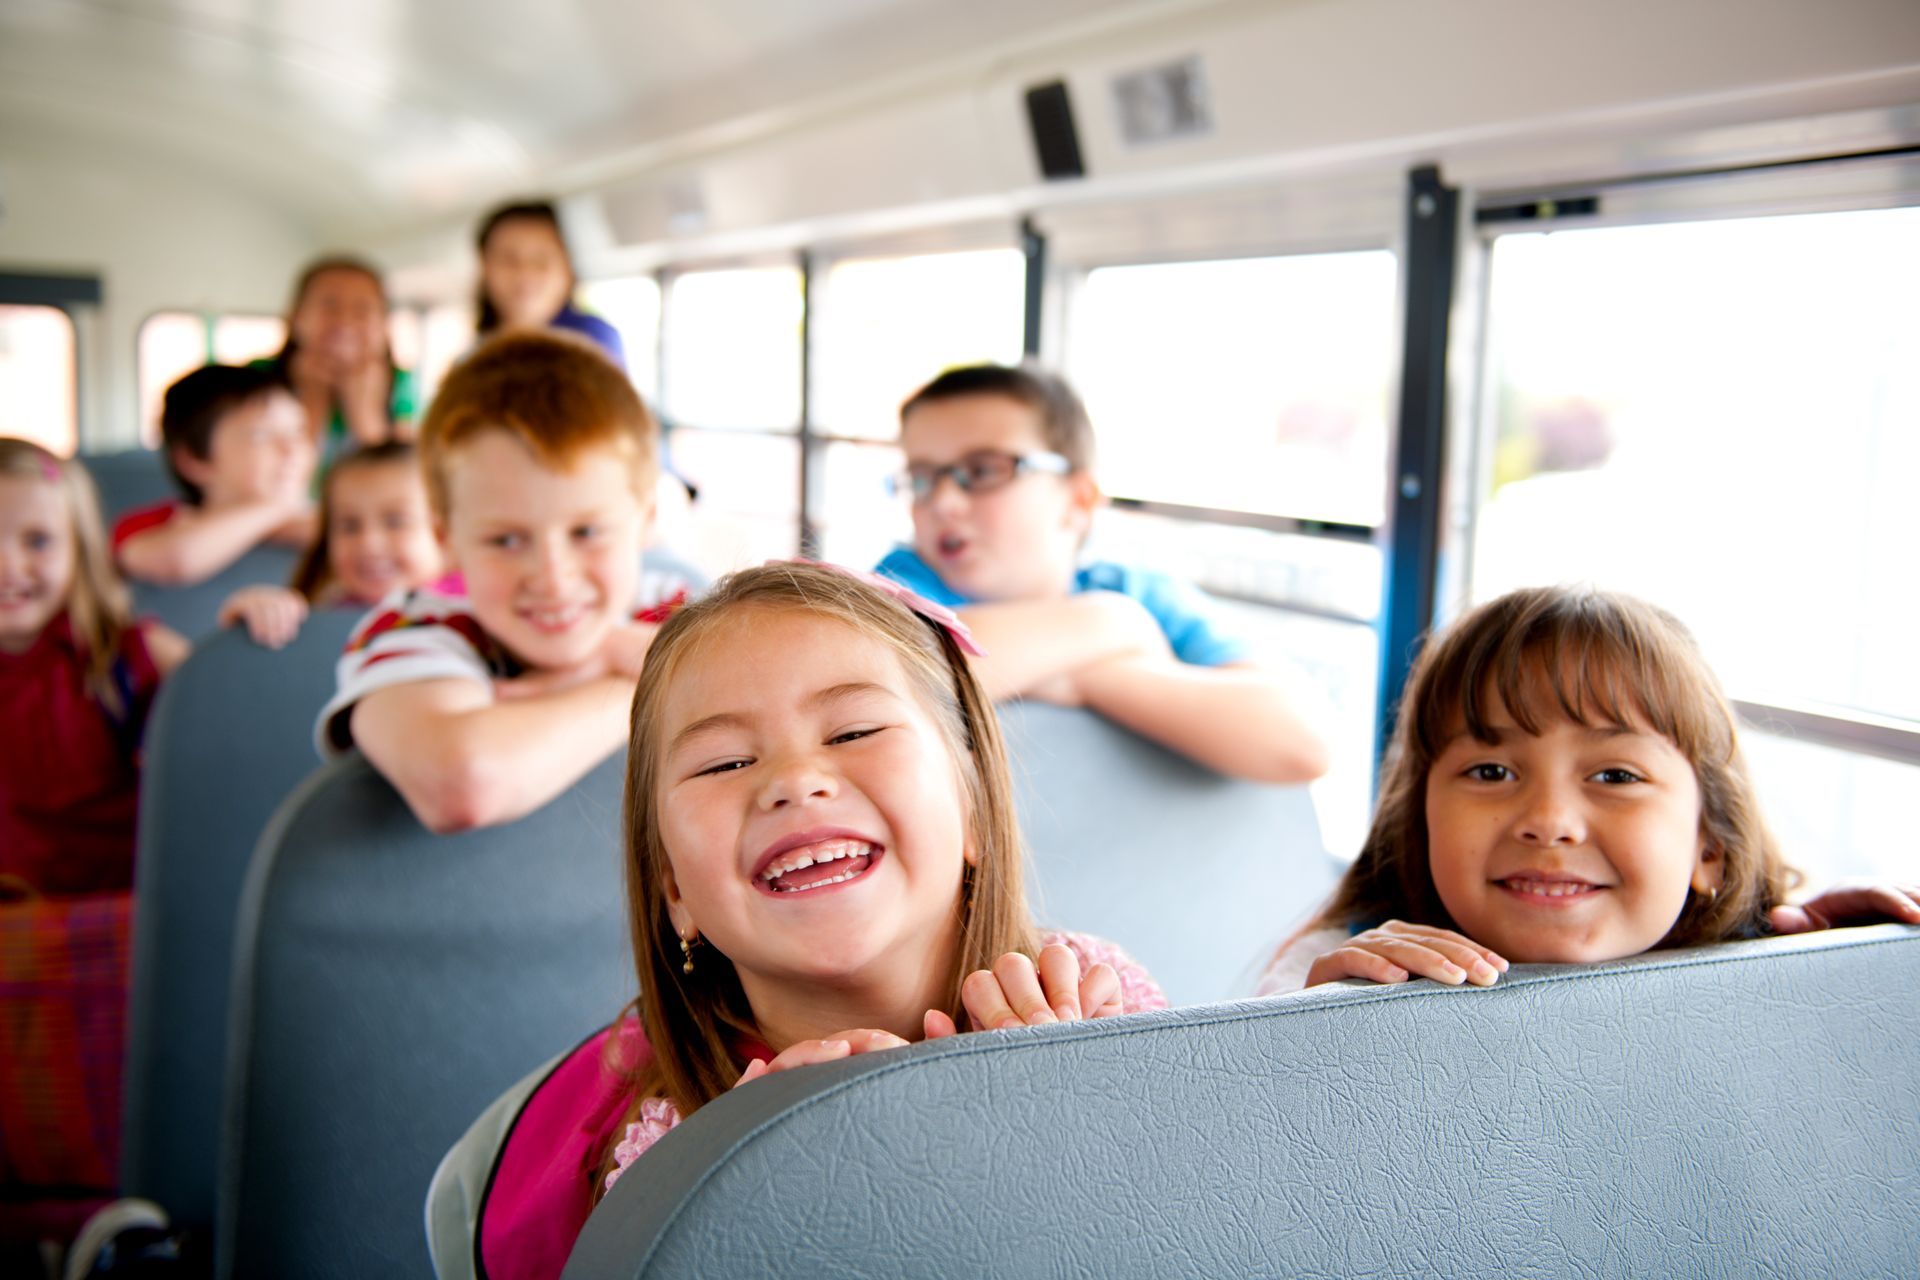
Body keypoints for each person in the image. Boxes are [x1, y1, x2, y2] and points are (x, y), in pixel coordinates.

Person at [462, 562, 1165, 1277]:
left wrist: (1087, 1123)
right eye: (724, 762)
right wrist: (725, 1202)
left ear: (975, 807)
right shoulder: (648, 1155)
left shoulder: (1099, 1005)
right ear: (673, 888)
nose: (794, 780)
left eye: (854, 730)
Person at [1257, 585, 1920, 993]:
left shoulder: (1755, 977)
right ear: (1421, 823)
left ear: (1710, 846)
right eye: (1491, 772)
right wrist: (1317, 1031)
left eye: (1615, 776)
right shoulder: (1334, 971)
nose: (1549, 822)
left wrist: (1837, 974)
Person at [876, 363, 1329, 784]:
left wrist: (1084, 679)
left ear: (1078, 500)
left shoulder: (1140, 593)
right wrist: (1112, 626)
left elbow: (1303, 742)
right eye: (922, 478)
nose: (942, 502)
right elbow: (889, 683)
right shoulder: (896, 589)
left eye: (983, 471)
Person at [315, 330, 692, 833]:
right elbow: (464, 783)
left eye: (587, 531)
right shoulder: (411, 631)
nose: (554, 577)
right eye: (507, 541)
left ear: (645, 521)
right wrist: (649, 683)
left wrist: (632, 660)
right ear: (447, 539)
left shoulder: (674, 607)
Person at [0, 439, 188, 893]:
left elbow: (230, 710)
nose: (8, 567)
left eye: (38, 541)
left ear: (80, 552)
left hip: (110, 920)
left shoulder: (127, 655)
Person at [217, 441, 443, 648]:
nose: (369, 544)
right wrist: (259, 616)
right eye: (350, 526)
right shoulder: (306, 622)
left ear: (444, 531)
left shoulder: (467, 617)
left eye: (396, 522)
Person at [112, 363, 316, 587]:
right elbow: (177, 560)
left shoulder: (318, 518)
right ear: (195, 460)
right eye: (262, 435)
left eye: (297, 431)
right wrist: (277, 509)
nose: (291, 448)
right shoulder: (151, 527)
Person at [259, 256, 415, 460]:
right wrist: (311, 400)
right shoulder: (253, 380)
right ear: (295, 317)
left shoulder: (404, 385)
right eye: (329, 306)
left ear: (384, 325)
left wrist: (366, 420)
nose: (345, 321)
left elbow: (403, 483)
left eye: (362, 309)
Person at [475, 200, 625, 367]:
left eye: (541, 260)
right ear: (484, 269)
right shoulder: (474, 357)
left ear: (568, 269)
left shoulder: (593, 342)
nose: (525, 272)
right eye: (509, 259)